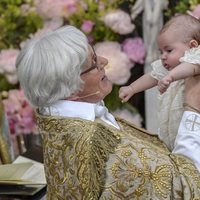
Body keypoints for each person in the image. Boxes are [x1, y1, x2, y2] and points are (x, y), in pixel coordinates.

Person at [16, 25, 200, 199]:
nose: (104, 61)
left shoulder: (57, 119)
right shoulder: (95, 143)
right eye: (94, 63)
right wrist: (192, 107)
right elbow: (184, 187)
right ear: (71, 88)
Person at [119, 14, 200, 150]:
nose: (163, 56)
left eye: (169, 50)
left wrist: (171, 77)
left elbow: (190, 68)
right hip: (173, 129)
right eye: (161, 51)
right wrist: (132, 88)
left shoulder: (195, 58)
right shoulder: (169, 68)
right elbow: (152, 76)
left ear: (192, 46)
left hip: (193, 128)